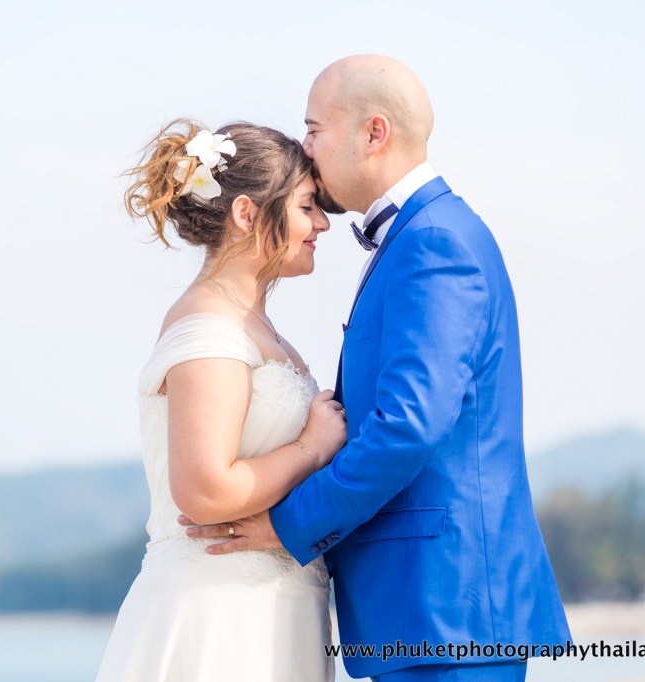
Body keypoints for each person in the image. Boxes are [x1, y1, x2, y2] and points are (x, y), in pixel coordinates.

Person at [183, 55, 572, 681]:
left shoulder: (434, 241)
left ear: (374, 133)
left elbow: (408, 426)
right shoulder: (421, 236)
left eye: (314, 129)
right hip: (427, 614)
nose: (305, 149)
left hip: (446, 610)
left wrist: (290, 524)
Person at [94, 119, 346, 681]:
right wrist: (311, 447)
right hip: (218, 616)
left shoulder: (251, 324)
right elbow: (206, 489)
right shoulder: (210, 327)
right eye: (308, 206)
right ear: (247, 214)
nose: (323, 224)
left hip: (271, 612)